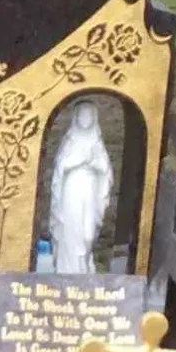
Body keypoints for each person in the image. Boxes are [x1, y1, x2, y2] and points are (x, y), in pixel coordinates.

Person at [46, 96, 114, 275]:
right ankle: (69, 270)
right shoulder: (70, 141)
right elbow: (61, 168)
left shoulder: (97, 143)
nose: (85, 120)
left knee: (87, 233)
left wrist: (93, 164)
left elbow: (105, 171)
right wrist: (78, 161)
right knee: (72, 229)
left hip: (90, 189)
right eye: (82, 116)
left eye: (89, 116)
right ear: (76, 117)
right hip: (72, 189)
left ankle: (84, 265)